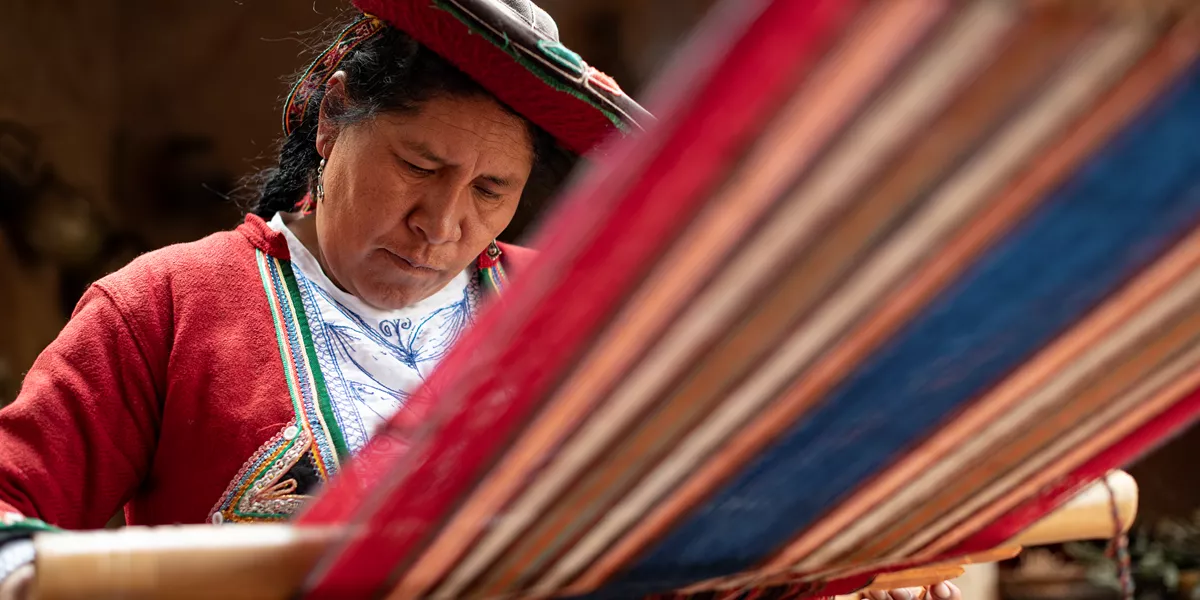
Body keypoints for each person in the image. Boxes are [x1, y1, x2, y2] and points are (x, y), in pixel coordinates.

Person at [0, 1, 963, 599]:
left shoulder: (570, 314)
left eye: (491, 193)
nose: (442, 226)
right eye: (419, 167)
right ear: (335, 114)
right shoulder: (166, 308)